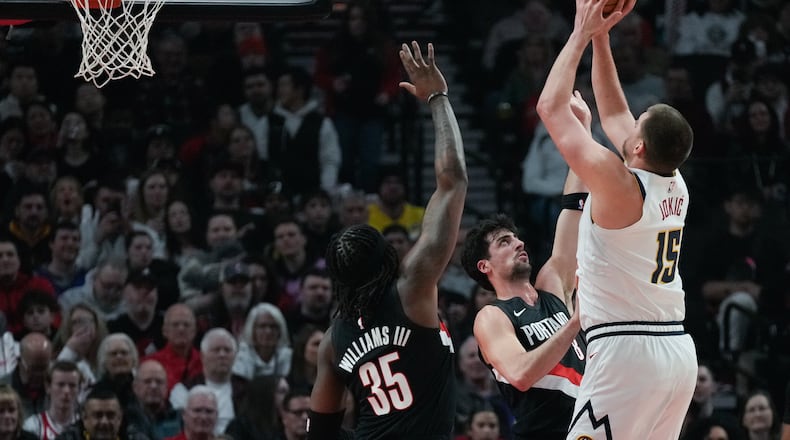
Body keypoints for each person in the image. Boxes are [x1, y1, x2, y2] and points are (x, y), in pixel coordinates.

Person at [535, 0, 698, 438]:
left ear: (639, 147)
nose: (630, 122)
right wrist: (603, 37)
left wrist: (580, 32)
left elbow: (550, 108)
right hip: (675, 352)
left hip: (626, 349)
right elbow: (612, 112)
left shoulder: (620, 186)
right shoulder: (672, 179)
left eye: (638, 124)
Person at [307, 41, 467, 439]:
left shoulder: (333, 341)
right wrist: (438, 98)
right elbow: (453, 181)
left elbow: (320, 433)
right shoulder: (412, 288)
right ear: (388, 257)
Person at [461, 168, 586, 437]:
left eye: (517, 238)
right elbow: (520, 374)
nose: (519, 243)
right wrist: (574, 323)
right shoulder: (492, 317)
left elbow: (573, 211)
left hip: (587, 426)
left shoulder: (552, 286)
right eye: (505, 242)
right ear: (484, 266)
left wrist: (581, 150)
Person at [23, 361, 81, 440]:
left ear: (79, 389)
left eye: (72, 385)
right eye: (61, 385)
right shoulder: (33, 426)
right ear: (48, 387)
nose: (66, 391)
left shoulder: (85, 427)